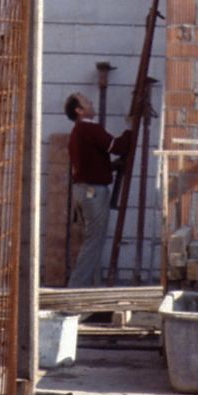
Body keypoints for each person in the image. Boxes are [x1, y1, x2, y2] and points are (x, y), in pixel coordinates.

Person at [65, 92, 133, 288]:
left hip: (84, 191)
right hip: (92, 192)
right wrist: (130, 126)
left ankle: (91, 287)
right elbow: (118, 147)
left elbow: (89, 164)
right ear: (79, 110)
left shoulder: (78, 131)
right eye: (87, 101)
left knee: (93, 240)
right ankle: (75, 291)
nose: (92, 102)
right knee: (94, 242)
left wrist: (110, 167)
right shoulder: (89, 128)